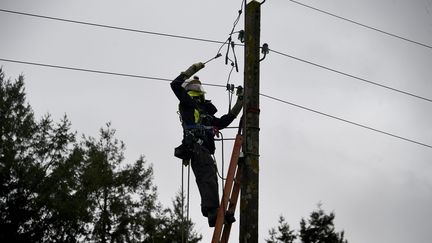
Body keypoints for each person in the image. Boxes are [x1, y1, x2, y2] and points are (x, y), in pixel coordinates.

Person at [170, 62, 243, 227]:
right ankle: (212, 211)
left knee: (211, 178)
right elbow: (175, 85)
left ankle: (215, 212)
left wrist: (240, 103)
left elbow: (223, 121)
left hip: (204, 150)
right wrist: (192, 70)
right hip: (196, 147)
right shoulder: (187, 104)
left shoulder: (206, 113)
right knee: (207, 177)